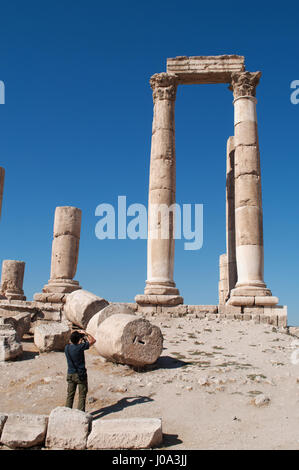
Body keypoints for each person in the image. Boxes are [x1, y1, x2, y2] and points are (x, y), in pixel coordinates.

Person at [65, 329, 96, 412]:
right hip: (80, 375)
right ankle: (80, 413)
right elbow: (93, 340)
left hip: (70, 374)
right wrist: (86, 333)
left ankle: (66, 413)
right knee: (82, 395)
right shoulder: (80, 347)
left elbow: (71, 338)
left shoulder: (67, 348)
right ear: (79, 340)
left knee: (70, 395)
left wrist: (77, 333)